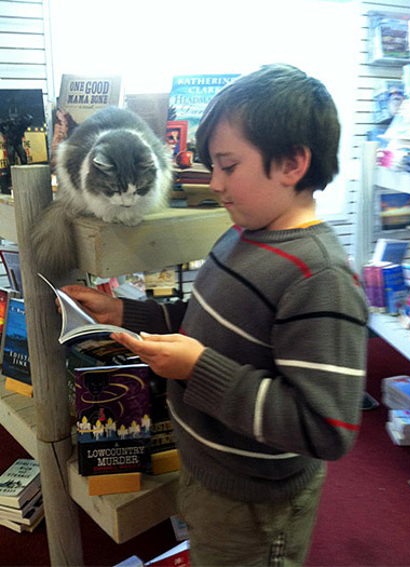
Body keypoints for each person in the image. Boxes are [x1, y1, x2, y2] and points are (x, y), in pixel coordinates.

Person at [62, 63, 368, 566]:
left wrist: (198, 368)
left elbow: (326, 427)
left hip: (255, 504)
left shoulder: (321, 279)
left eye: (227, 165)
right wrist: (124, 310)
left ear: (291, 163)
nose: (213, 181)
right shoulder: (242, 232)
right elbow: (201, 316)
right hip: (208, 471)